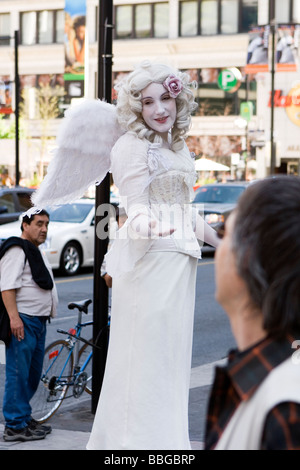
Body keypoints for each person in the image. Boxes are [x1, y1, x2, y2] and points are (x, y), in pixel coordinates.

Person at [32, 61, 219, 450]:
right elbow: (134, 208)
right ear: (135, 109)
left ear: (178, 98)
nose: (159, 109)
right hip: (150, 262)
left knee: (170, 364)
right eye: (148, 102)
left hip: (181, 260)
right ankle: (132, 448)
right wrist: (148, 225)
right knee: (144, 363)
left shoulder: (178, 147)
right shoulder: (130, 146)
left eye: (166, 98)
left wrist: (225, 243)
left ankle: (168, 446)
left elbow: (185, 210)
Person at [204, 175, 300, 450]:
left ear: (244, 260)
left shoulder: (287, 413)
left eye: (225, 235)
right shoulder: (259, 379)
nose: (219, 249)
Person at [0, 208, 58, 442]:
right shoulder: (17, 249)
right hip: (23, 320)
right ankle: (14, 425)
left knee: (32, 375)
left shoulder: (35, 250)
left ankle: (23, 417)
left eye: (46, 224)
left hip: (38, 321)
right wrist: (14, 318)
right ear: (25, 225)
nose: (43, 228)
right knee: (18, 374)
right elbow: (6, 286)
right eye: (38, 223)